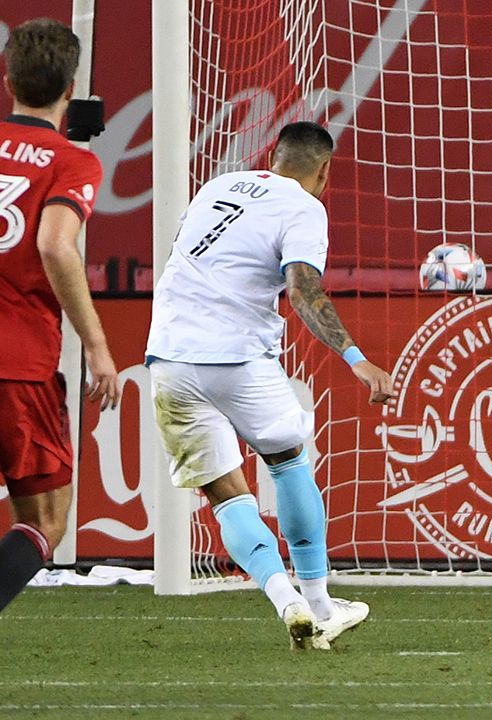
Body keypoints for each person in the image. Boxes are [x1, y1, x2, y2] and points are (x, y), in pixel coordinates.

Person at [146, 121, 394, 649]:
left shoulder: (216, 187)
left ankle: (287, 603)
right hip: (237, 357)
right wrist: (356, 358)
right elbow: (303, 290)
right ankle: (321, 604)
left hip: (167, 356)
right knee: (286, 460)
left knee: (224, 494)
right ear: (324, 171)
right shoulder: (305, 208)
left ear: (272, 156)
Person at [0, 18, 121, 614]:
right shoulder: (71, 163)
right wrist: (97, 345)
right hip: (20, 367)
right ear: (71, 89)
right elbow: (53, 243)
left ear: (7, 80)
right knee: (46, 520)